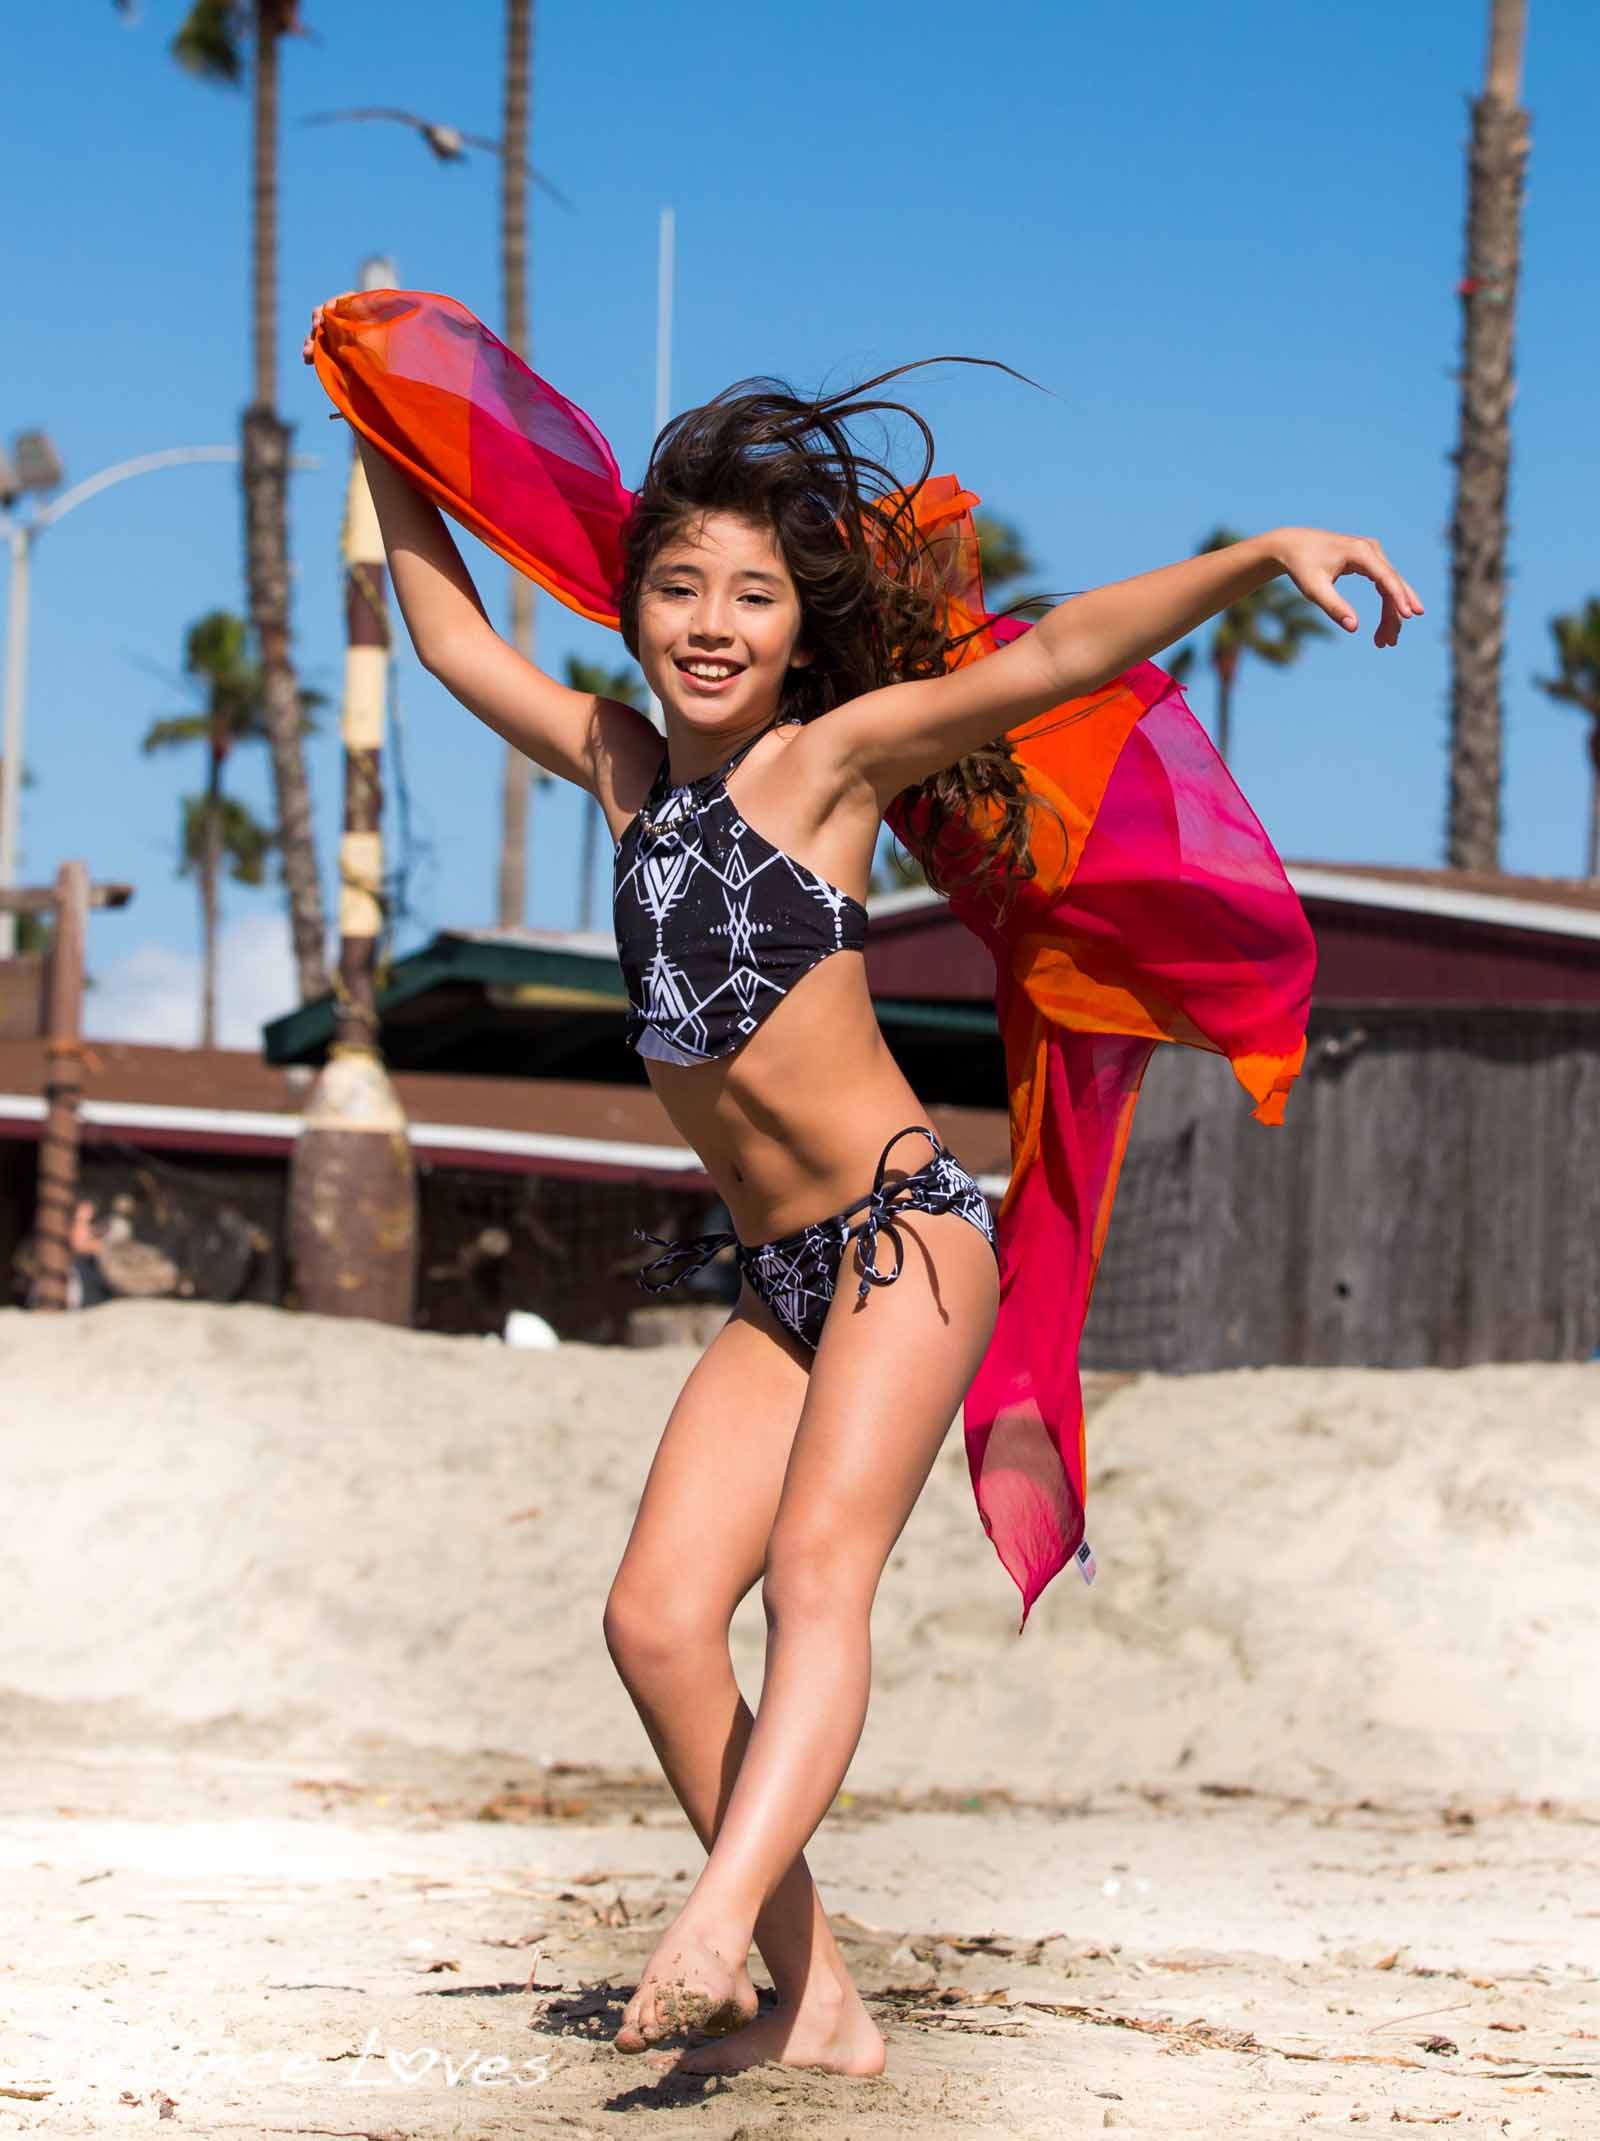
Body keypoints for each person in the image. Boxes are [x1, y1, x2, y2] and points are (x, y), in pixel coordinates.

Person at [305, 294, 1420, 2077]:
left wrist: (1255, 553)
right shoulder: (617, 769)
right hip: (779, 1277)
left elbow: (1048, 665)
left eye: (754, 595)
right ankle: (818, 2002)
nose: (714, 625)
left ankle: (710, 1922)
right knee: (658, 1617)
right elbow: (446, 643)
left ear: (800, 621)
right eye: (680, 590)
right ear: (635, 602)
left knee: (816, 1578)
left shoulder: (823, 768)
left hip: (908, 1239)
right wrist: (387, 437)